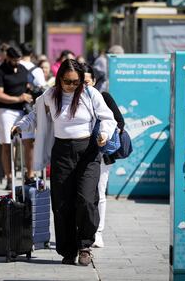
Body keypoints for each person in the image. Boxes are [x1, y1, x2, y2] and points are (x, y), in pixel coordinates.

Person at [12, 59, 116, 266]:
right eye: (67, 82)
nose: (71, 86)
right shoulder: (51, 95)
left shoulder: (90, 94)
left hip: (88, 151)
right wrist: (21, 126)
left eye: (76, 82)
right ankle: (67, 250)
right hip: (62, 151)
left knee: (86, 200)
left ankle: (85, 245)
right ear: (59, 79)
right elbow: (35, 114)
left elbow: (108, 118)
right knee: (61, 204)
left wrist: (104, 134)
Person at [82, 63, 125, 248]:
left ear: (94, 81)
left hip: (101, 153)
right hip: (77, 153)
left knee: (99, 192)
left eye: (87, 82)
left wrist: (104, 134)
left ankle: (98, 232)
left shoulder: (104, 97)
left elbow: (119, 122)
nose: (84, 86)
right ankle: (82, 231)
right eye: (79, 82)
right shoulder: (70, 100)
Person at [0, 46, 34, 190]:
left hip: (23, 110)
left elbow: (29, 84)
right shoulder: (0, 71)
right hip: (5, 110)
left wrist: (29, 92)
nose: (16, 62)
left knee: (29, 142)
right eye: (14, 60)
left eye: (18, 60)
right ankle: (9, 177)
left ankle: (31, 175)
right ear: (8, 58)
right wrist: (18, 98)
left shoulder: (23, 69)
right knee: (7, 145)